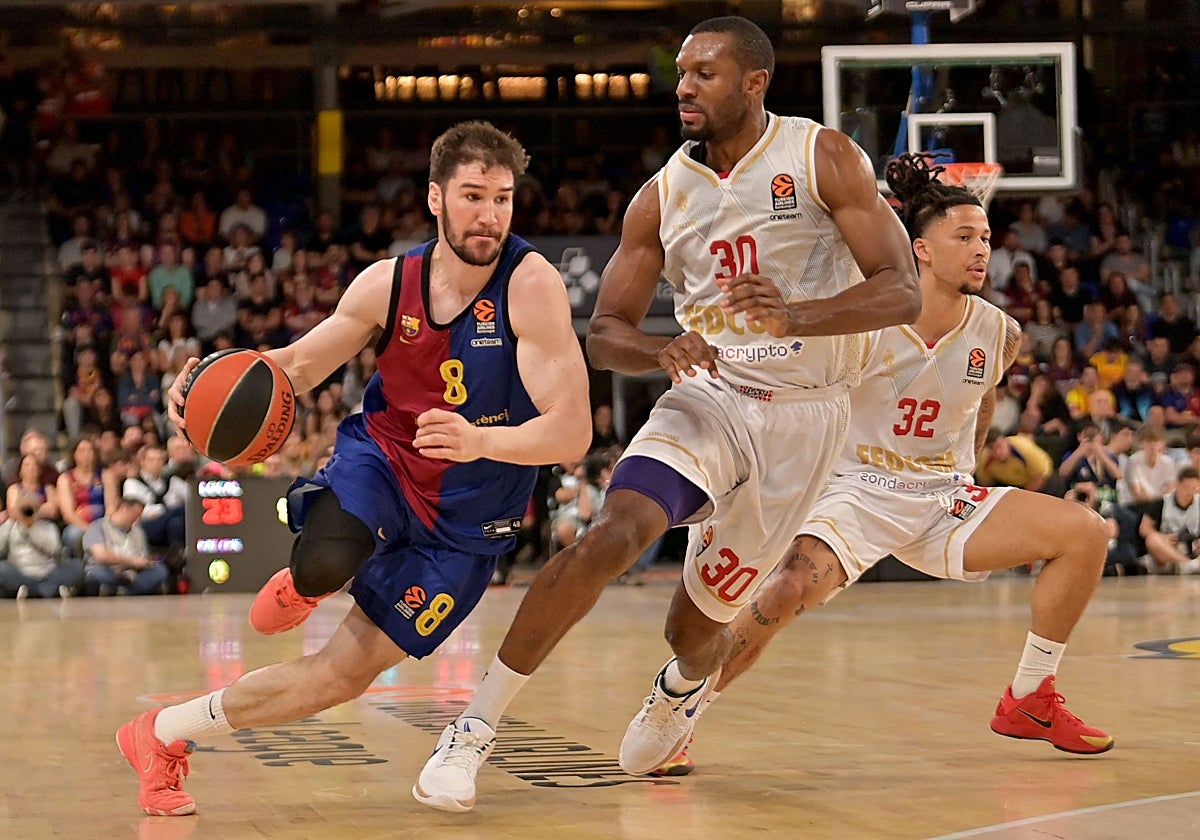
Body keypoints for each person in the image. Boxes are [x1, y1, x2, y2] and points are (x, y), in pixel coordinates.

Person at [413, 16, 920, 812]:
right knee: (614, 532)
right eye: (682, 73)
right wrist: (660, 352)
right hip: (710, 395)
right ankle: (472, 730)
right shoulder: (661, 197)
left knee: (694, 631)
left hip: (807, 417)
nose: (684, 87)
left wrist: (799, 317)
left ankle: (681, 687)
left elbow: (903, 287)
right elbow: (605, 332)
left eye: (705, 74)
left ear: (755, 82)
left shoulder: (819, 156)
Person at [114, 120, 591, 817]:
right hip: (388, 464)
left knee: (337, 679)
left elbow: (572, 432)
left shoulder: (530, 285)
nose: (489, 215)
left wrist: (481, 442)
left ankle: (158, 734)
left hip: (465, 520)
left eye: (503, 198)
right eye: (472, 196)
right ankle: (312, 576)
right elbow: (300, 365)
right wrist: (212, 378)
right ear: (435, 198)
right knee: (324, 559)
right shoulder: (388, 283)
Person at [654, 153, 1111, 776]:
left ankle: (1030, 697)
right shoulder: (859, 322)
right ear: (920, 250)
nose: (981, 249)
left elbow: (985, 399)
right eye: (964, 237)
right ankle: (680, 715)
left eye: (984, 237)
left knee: (1085, 533)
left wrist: (968, 467)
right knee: (783, 591)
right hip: (853, 490)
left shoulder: (1000, 331)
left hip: (940, 497)